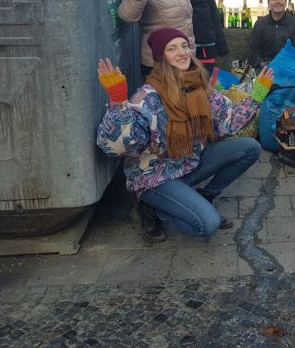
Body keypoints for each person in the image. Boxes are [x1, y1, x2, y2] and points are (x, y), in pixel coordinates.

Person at [96, 27, 274, 242]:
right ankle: (152, 206)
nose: (181, 52)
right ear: (161, 58)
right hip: (156, 177)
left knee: (249, 148)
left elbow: (228, 123)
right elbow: (117, 147)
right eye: (172, 48)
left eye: (184, 46)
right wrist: (118, 103)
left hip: (189, 163)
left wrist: (256, 95)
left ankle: (204, 196)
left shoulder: (198, 86)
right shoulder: (147, 98)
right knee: (208, 224)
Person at [248, 0, 295, 69]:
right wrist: (261, 64)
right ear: (269, 4)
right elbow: (253, 51)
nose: (278, 1)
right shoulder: (260, 25)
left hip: (289, 71)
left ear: (285, 3)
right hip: (265, 71)